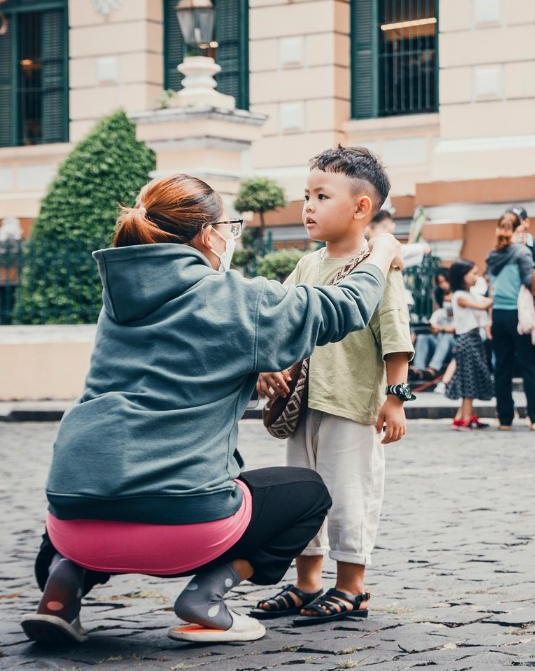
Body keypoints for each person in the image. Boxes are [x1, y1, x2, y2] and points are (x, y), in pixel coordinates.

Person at [21, 173, 402, 647]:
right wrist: (381, 252)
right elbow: (342, 306)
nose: (230, 237)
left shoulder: (117, 300)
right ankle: (207, 594)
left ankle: (64, 583)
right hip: (184, 524)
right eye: (229, 226)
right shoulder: (235, 298)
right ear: (207, 235)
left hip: (71, 526)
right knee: (307, 491)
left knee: (93, 487)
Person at [254, 147, 414, 625]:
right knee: (302, 495)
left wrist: (395, 400)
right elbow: (281, 322)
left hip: (351, 405)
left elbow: (396, 340)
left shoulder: (379, 267)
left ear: (362, 207)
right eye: (306, 195)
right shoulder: (306, 266)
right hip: (304, 404)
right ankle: (307, 583)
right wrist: (268, 363)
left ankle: (351, 587)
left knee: (349, 495)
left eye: (321, 196)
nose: (307, 206)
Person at [486, 213, 535, 431]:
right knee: (529, 367)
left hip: (498, 315)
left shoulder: (492, 256)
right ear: (517, 229)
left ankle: (505, 419)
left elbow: (491, 287)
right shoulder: (522, 252)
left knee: (502, 368)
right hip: (519, 316)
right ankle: (533, 417)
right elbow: (528, 281)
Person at [445, 260, 493, 430]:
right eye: (473, 273)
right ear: (462, 276)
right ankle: (466, 419)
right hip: (467, 340)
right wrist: (495, 292)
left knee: (471, 378)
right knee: (469, 380)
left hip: (473, 339)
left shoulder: (469, 294)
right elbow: (483, 305)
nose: (476, 276)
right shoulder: (459, 296)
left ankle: (461, 418)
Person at [409, 289, 455, 382]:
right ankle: (419, 369)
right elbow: (432, 325)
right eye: (446, 300)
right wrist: (430, 327)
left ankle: (433, 369)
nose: (448, 302)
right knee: (423, 337)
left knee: (447, 336)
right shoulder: (438, 313)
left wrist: (441, 328)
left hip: (453, 348)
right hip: (438, 347)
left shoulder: (460, 313)